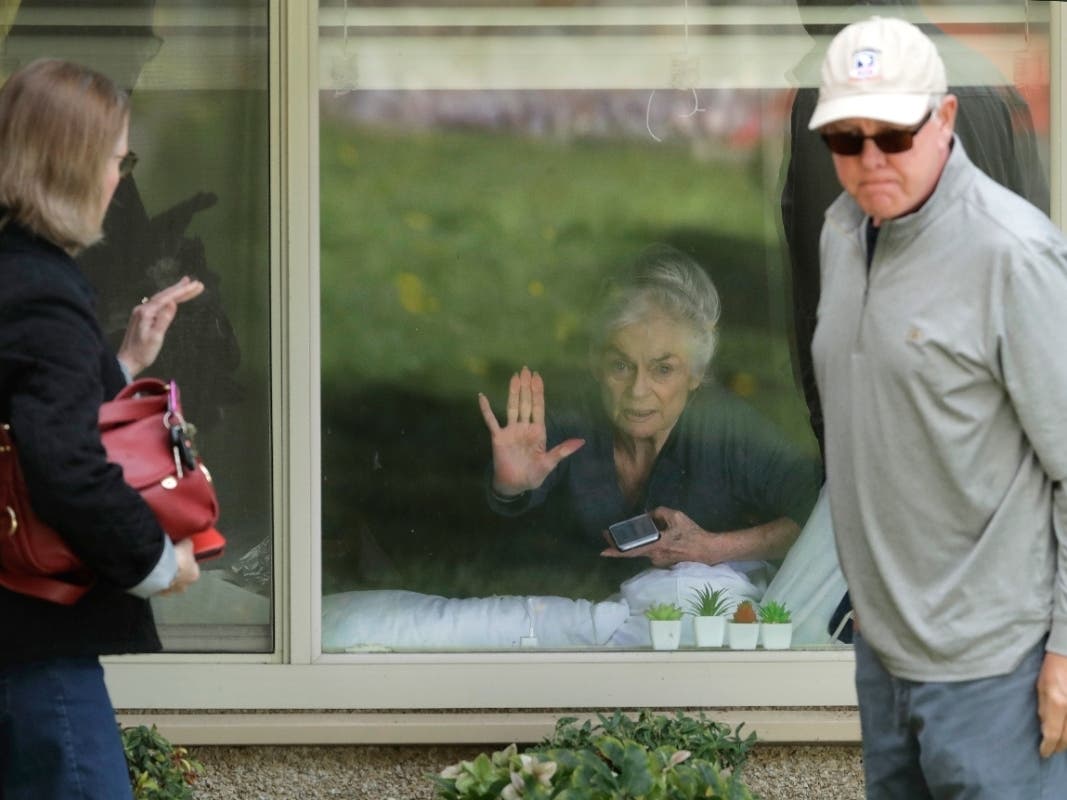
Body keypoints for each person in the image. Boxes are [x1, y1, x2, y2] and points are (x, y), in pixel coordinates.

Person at [808, 16, 1067, 797]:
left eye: (892, 132)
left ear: (944, 118)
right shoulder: (840, 231)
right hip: (882, 657)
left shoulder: (1012, 254)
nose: (869, 159)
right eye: (844, 140)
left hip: (997, 672)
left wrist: (1064, 656)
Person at [0, 59, 203, 799]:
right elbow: (66, 465)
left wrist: (121, 362)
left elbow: (24, 422)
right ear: (77, 165)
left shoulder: (17, 271)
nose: (122, 179)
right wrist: (155, 561)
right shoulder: (42, 291)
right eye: (120, 159)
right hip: (31, 636)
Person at [477, 245, 820, 575]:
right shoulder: (571, 416)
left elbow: (826, 510)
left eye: (663, 369)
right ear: (596, 363)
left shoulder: (728, 429)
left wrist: (715, 548)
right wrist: (509, 487)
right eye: (621, 366)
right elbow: (498, 524)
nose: (638, 391)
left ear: (696, 373)